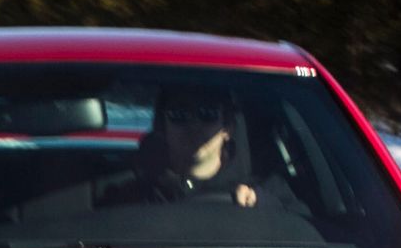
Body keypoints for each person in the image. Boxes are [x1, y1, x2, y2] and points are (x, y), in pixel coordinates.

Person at [99, 80, 279, 210]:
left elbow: (303, 222)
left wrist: (262, 202)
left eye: (207, 113)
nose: (194, 125)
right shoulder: (127, 197)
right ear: (162, 127)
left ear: (228, 128)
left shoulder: (266, 189)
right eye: (179, 114)